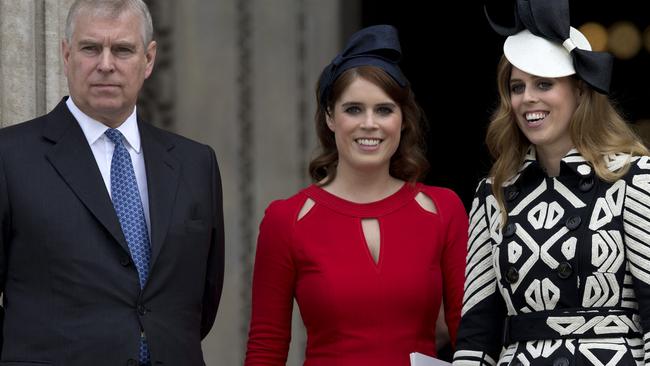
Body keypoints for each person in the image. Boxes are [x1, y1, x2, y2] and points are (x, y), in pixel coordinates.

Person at [0, 0, 224, 365]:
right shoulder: (10, 158)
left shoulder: (196, 163)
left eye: (122, 49)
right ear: (66, 53)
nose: (106, 64)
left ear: (148, 59)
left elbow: (202, 299)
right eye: (91, 48)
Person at [244, 24, 467, 365]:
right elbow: (266, 347)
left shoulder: (443, 209)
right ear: (330, 117)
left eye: (384, 109)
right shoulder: (286, 220)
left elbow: (467, 336)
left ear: (403, 120)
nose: (369, 123)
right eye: (353, 109)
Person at [453, 1, 650, 365]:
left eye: (544, 84)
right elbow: (477, 334)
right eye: (517, 86)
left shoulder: (635, 179)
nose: (528, 98)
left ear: (580, 90)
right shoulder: (492, 194)